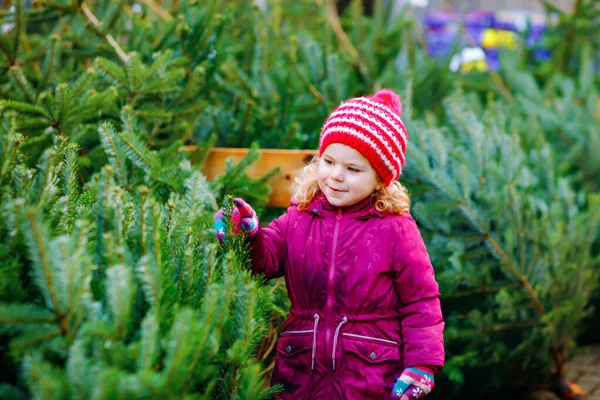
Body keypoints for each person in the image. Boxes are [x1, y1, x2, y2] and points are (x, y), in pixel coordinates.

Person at [214, 89, 445, 399]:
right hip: (300, 373)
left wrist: (421, 365)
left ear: (380, 179)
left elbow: (421, 301)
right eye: (329, 161)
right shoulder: (300, 218)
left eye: (352, 169)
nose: (336, 176)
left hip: (368, 378)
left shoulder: (396, 230)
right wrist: (245, 234)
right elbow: (263, 261)